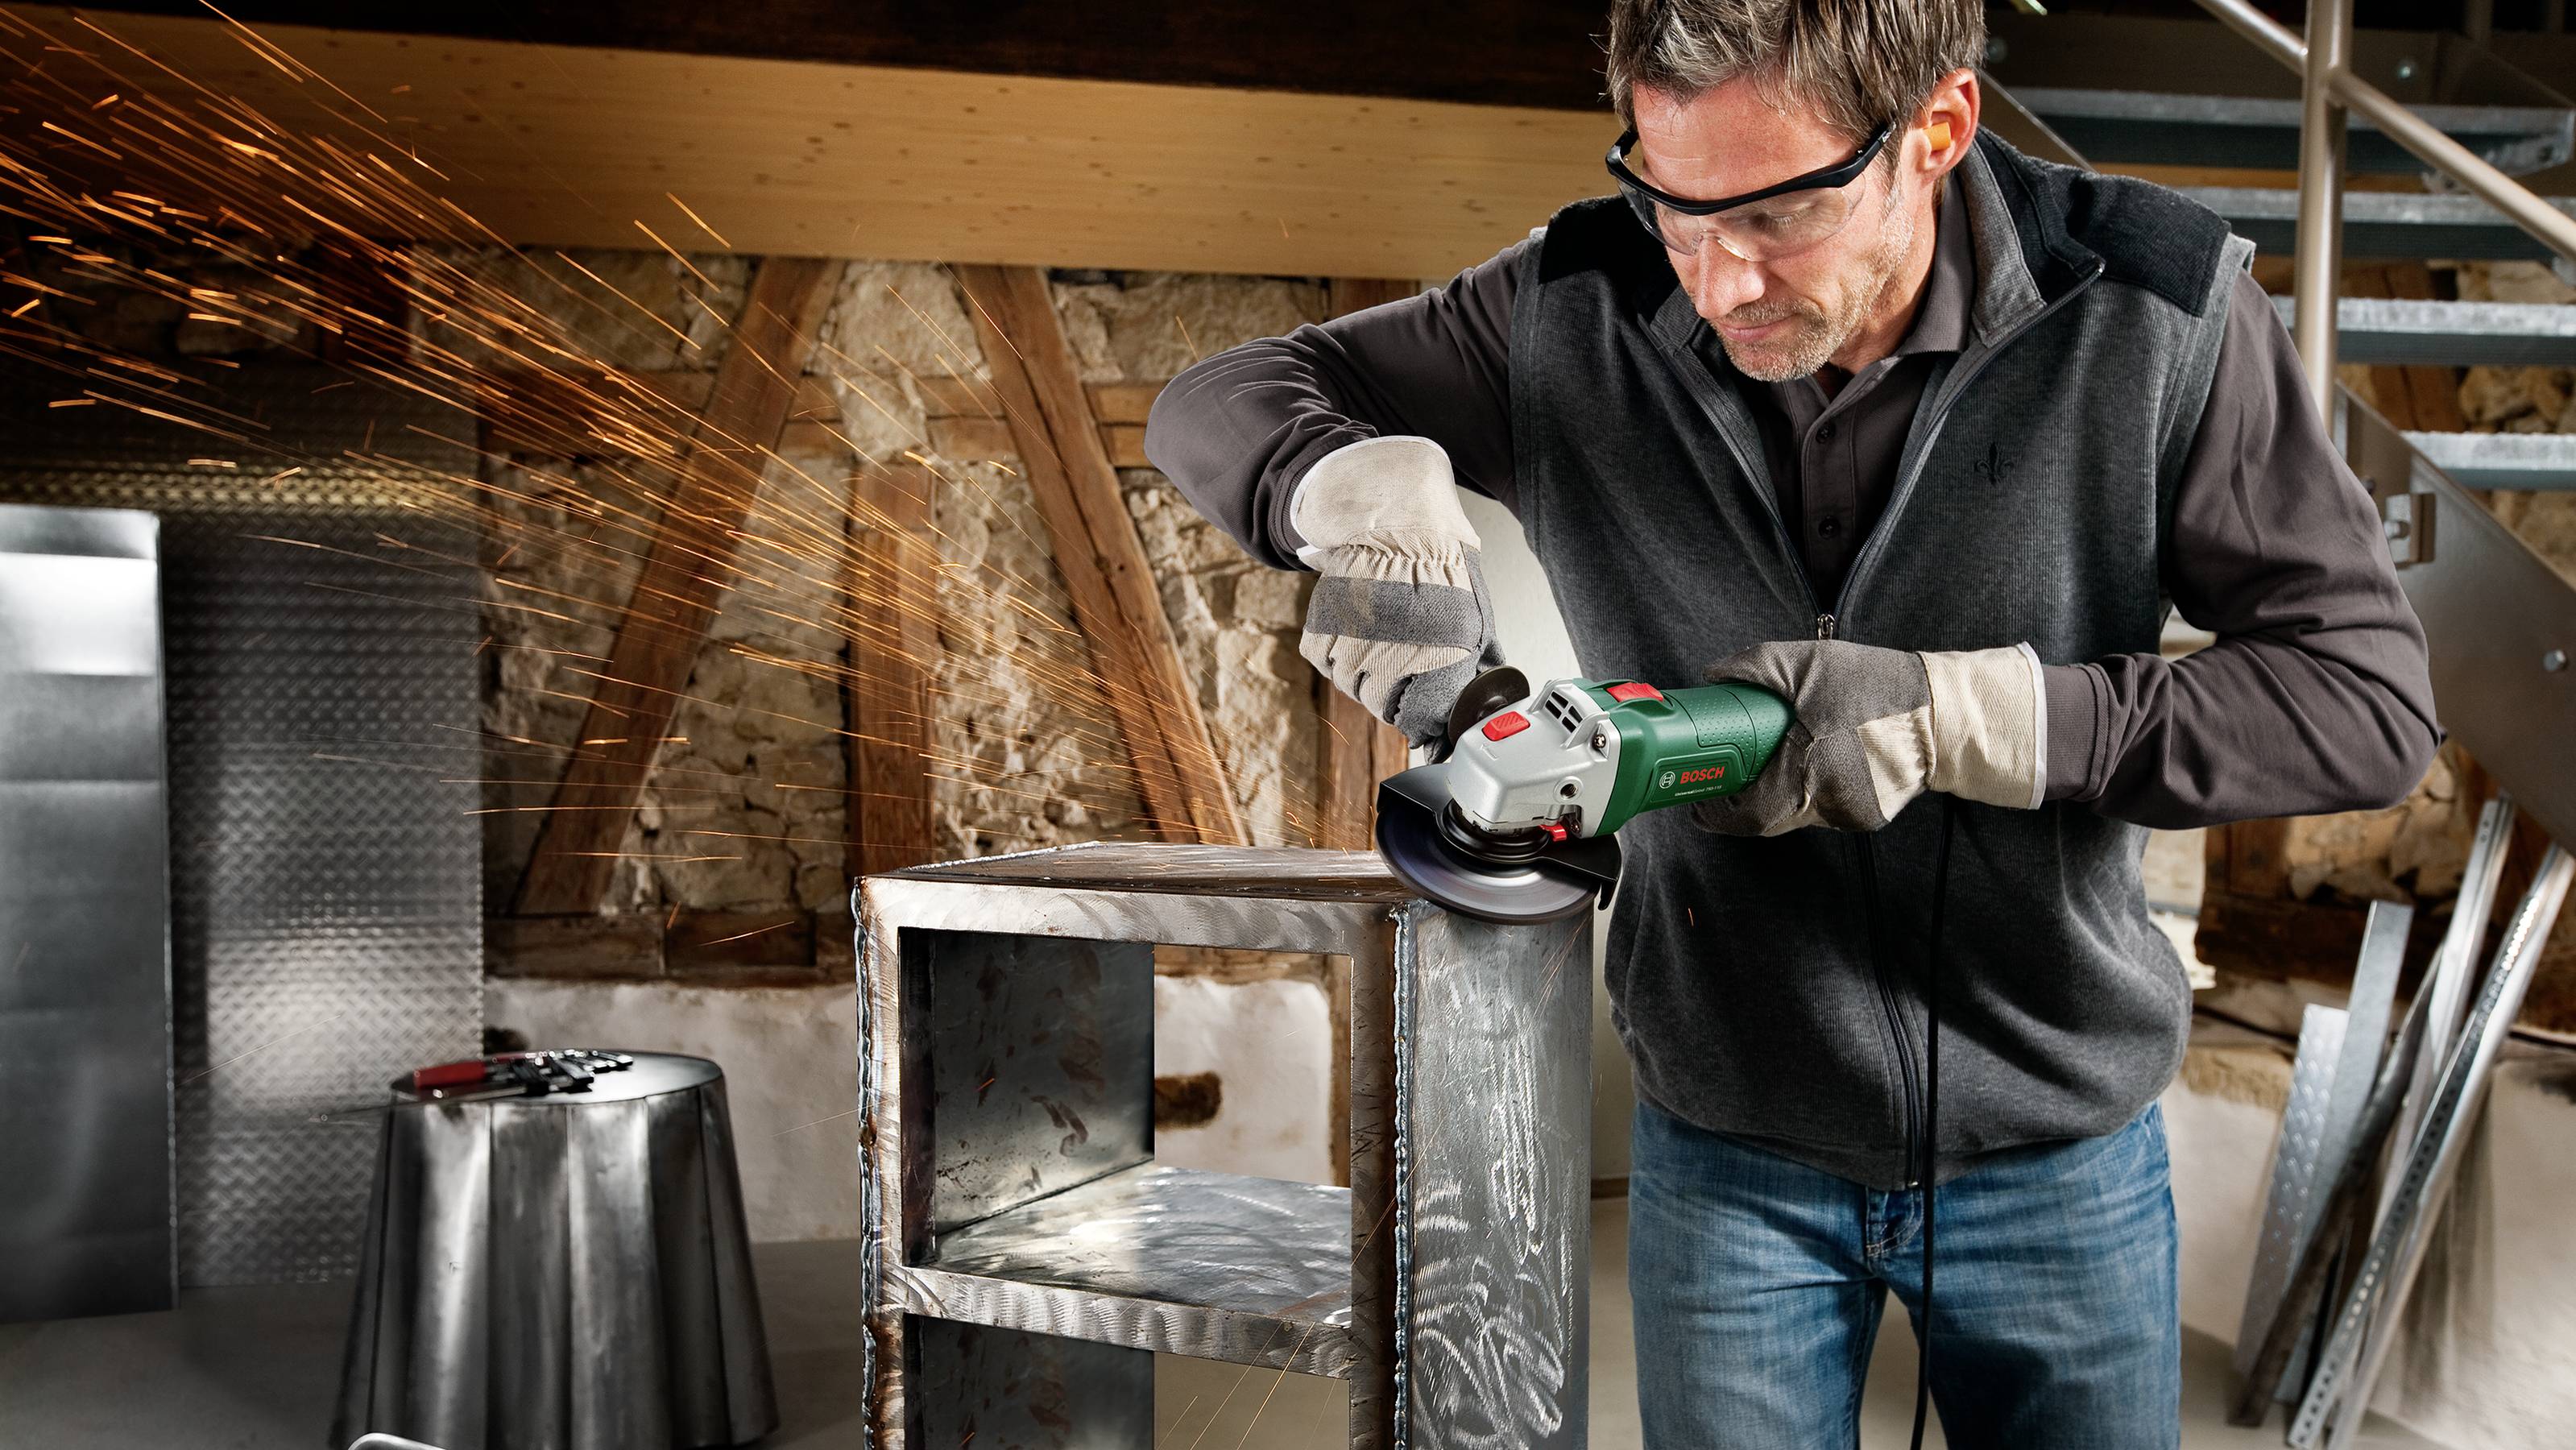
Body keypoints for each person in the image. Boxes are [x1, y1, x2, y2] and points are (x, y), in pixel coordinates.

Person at [1142, 2, 2437, 1445]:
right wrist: (1341, 488)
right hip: (1727, 1141)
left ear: (1936, 129)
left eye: (1776, 215)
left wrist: (1966, 719)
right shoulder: (1575, 299)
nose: (1718, 280)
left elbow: (2363, 703)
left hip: (2055, 1143)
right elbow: (1217, 399)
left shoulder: (2151, 305)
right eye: (1676, 208)